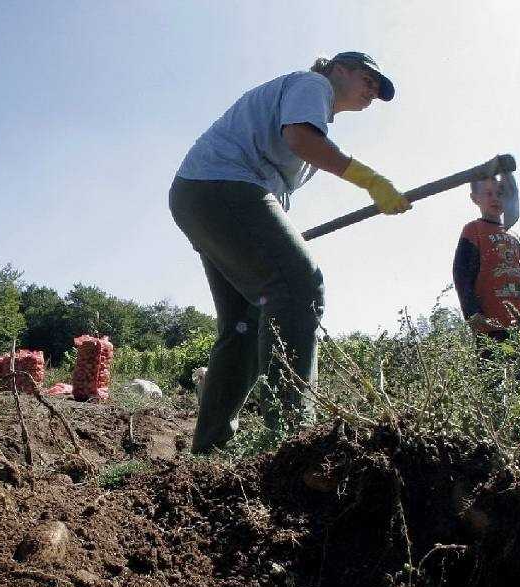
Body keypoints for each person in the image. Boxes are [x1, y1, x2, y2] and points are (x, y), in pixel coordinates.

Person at [169, 52, 410, 454]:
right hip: (223, 186)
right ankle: (295, 442)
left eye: (377, 89)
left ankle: (210, 451)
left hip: (201, 194)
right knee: (300, 287)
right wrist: (371, 181)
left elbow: (278, 181)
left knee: (246, 320)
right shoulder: (312, 85)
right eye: (368, 80)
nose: (372, 92)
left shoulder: (309, 109)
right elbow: (300, 139)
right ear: (339, 70)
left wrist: (275, 233)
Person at [453, 176, 520, 341]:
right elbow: (461, 275)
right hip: (491, 327)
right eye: (488, 193)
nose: (495, 198)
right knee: (495, 367)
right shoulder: (473, 230)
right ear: (475, 198)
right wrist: (471, 312)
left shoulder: (515, 237)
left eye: (500, 193)